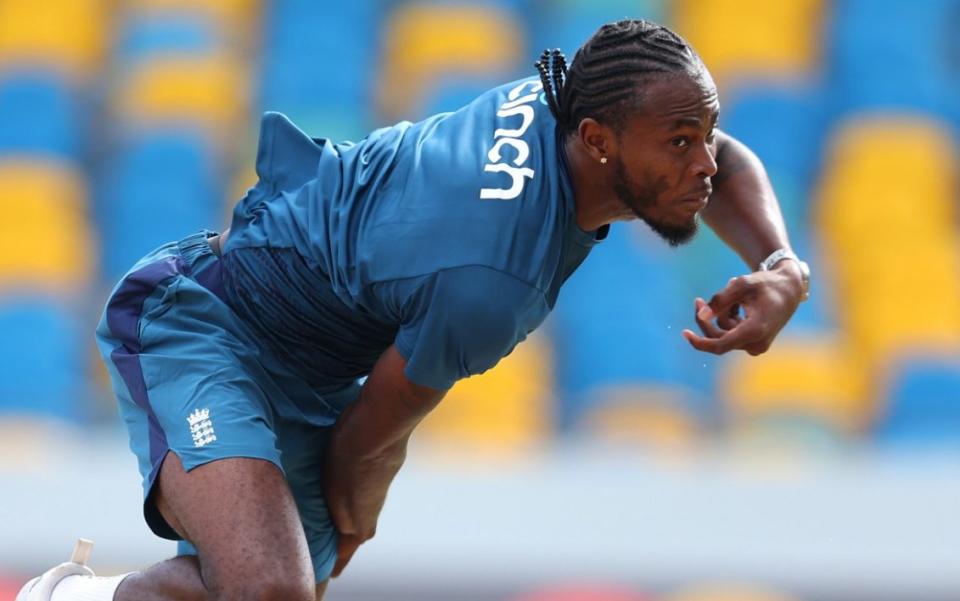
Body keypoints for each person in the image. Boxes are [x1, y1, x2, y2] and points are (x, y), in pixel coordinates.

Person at [19, 18, 809, 601]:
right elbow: (374, 431)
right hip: (203, 324)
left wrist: (781, 264)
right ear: (599, 140)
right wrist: (356, 520)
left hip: (313, 358)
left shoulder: (565, 98)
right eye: (680, 143)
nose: (704, 162)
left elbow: (726, 154)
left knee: (272, 584)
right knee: (272, 588)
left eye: (702, 134)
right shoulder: (495, 279)